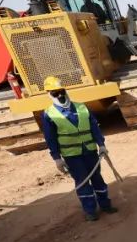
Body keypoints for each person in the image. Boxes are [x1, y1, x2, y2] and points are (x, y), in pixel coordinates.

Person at [40, 76, 117, 222]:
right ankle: (90, 211)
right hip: (72, 156)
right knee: (82, 182)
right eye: (55, 93)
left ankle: (105, 205)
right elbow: (50, 139)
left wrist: (101, 145)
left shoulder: (81, 107)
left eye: (61, 91)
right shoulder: (48, 114)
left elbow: (94, 127)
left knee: (97, 179)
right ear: (49, 94)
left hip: (90, 151)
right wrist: (57, 158)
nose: (60, 95)